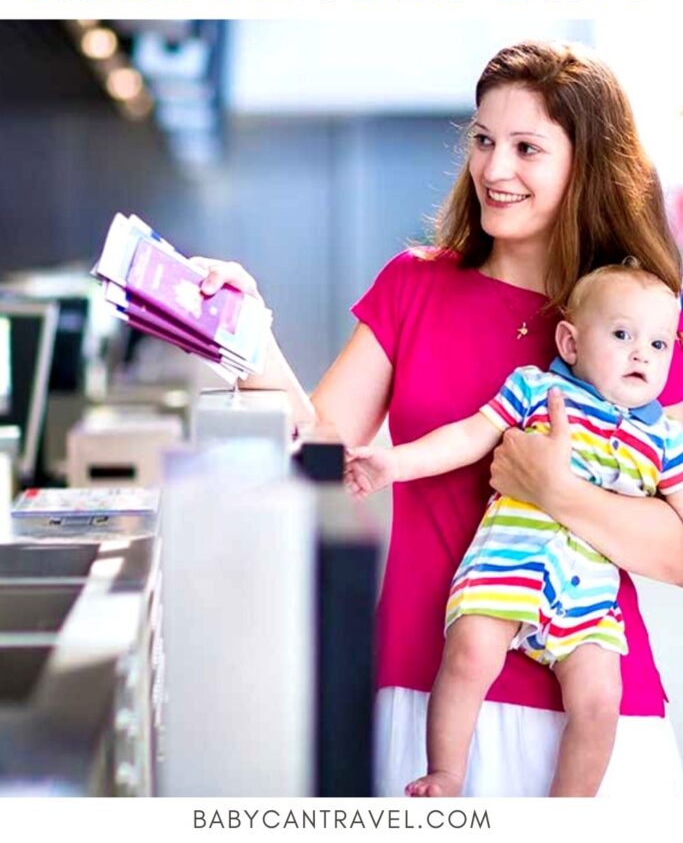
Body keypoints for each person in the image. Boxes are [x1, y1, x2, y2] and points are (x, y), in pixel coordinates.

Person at [195, 40, 683, 797]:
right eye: (484, 141)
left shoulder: (639, 335)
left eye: (527, 148)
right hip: (430, 707)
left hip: (593, 719)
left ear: (584, 165)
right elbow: (319, 447)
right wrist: (244, 332)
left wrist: (555, 491)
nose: (494, 169)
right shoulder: (413, 287)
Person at [344, 263, 683, 797]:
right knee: (468, 656)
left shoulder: (664, 437)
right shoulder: (536, 389)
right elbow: (469, 436)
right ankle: (446, 773)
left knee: (599, 703)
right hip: (506, 569)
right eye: (621, 336)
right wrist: (395, 463)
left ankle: (565, 813)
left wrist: (561, 490)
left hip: (589, 604)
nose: (642, 353)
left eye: (660, 344)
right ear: (570, 342)